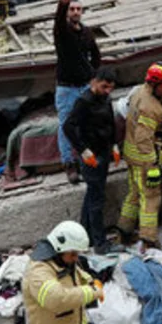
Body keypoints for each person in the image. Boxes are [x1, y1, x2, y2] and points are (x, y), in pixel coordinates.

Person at [118, 62, 162, 247]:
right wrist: (152, 167)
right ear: (155, 84)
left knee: (134, 194)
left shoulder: (138, 93)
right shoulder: (151, 108)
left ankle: (124, 230)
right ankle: (149, 239)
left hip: (131, 154)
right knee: (151, 198)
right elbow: (144, 139)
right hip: (144, 159)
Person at [63, 69, 120, 251]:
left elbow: (111, 123)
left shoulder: (106, 99)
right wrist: (83, 150)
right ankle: (100, 243)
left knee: (93, 195)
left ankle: (83, 233)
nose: (107, 91)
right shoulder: (84, 101)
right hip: (91, 156)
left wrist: (114, 145)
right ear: (94, 82)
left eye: (110, 88)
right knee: (96, 200)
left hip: (104, 152)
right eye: (104, 86)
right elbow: (68, 127)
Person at [53, 0, 102, 184]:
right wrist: (62, 2)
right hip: (66, 88)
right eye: (72, 9)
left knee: (89, 121)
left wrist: (93, 76)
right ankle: (69, 163)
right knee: (66, 125)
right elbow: (58, 21)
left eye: (78, 9)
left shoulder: (87, 32)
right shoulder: (62, 32)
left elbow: (96, 54)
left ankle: (88, 157)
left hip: (85, 85)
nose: (75, 12)